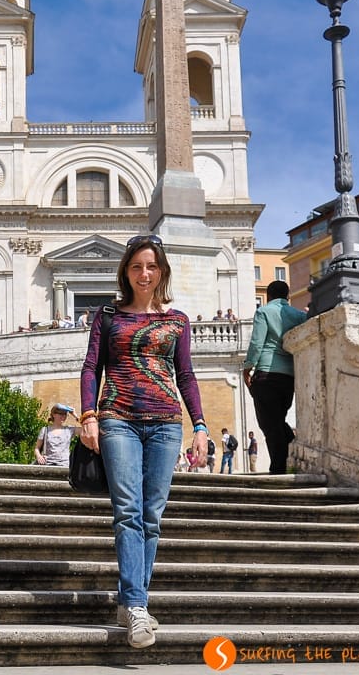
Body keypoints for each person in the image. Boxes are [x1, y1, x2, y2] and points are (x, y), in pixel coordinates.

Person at [80, 233, 208, 649]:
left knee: (151, 515)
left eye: (151, 266)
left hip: (167, 423)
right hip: (118, 419)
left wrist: (200, 425)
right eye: (137, 266)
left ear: (162, 271)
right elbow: (91, 368)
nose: (144, 273)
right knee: (128, 512)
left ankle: (131, 599)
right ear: (126, 272)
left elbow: (186, 374)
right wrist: (88, 415)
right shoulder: (108, 316)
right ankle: (137, 605)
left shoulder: (178, 321)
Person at [243, 280, 307, 475]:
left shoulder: (263, 312)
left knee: (269, 424)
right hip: (289, 378)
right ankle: (286, 459)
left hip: (266, 374)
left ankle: (279, 467)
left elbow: (257, 343)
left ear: (268, 296)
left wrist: (247, 368)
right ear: (288, 296)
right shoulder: (299, 316)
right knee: (277, 421)